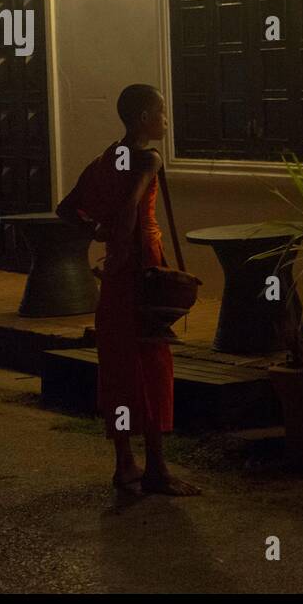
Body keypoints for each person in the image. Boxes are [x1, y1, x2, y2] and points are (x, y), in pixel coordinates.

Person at [57, 84, 199, 496]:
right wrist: (119, 247)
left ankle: (124, 463)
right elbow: (130, 210)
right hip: (140, 266)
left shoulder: (106, 159)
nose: (166, 121)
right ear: (144, 119)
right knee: (152, 365)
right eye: (162, 112)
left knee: (118, 366)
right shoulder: (147, 158)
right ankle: (156, 466)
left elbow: (66, 208)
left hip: (115, 277)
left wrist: (95, 234)